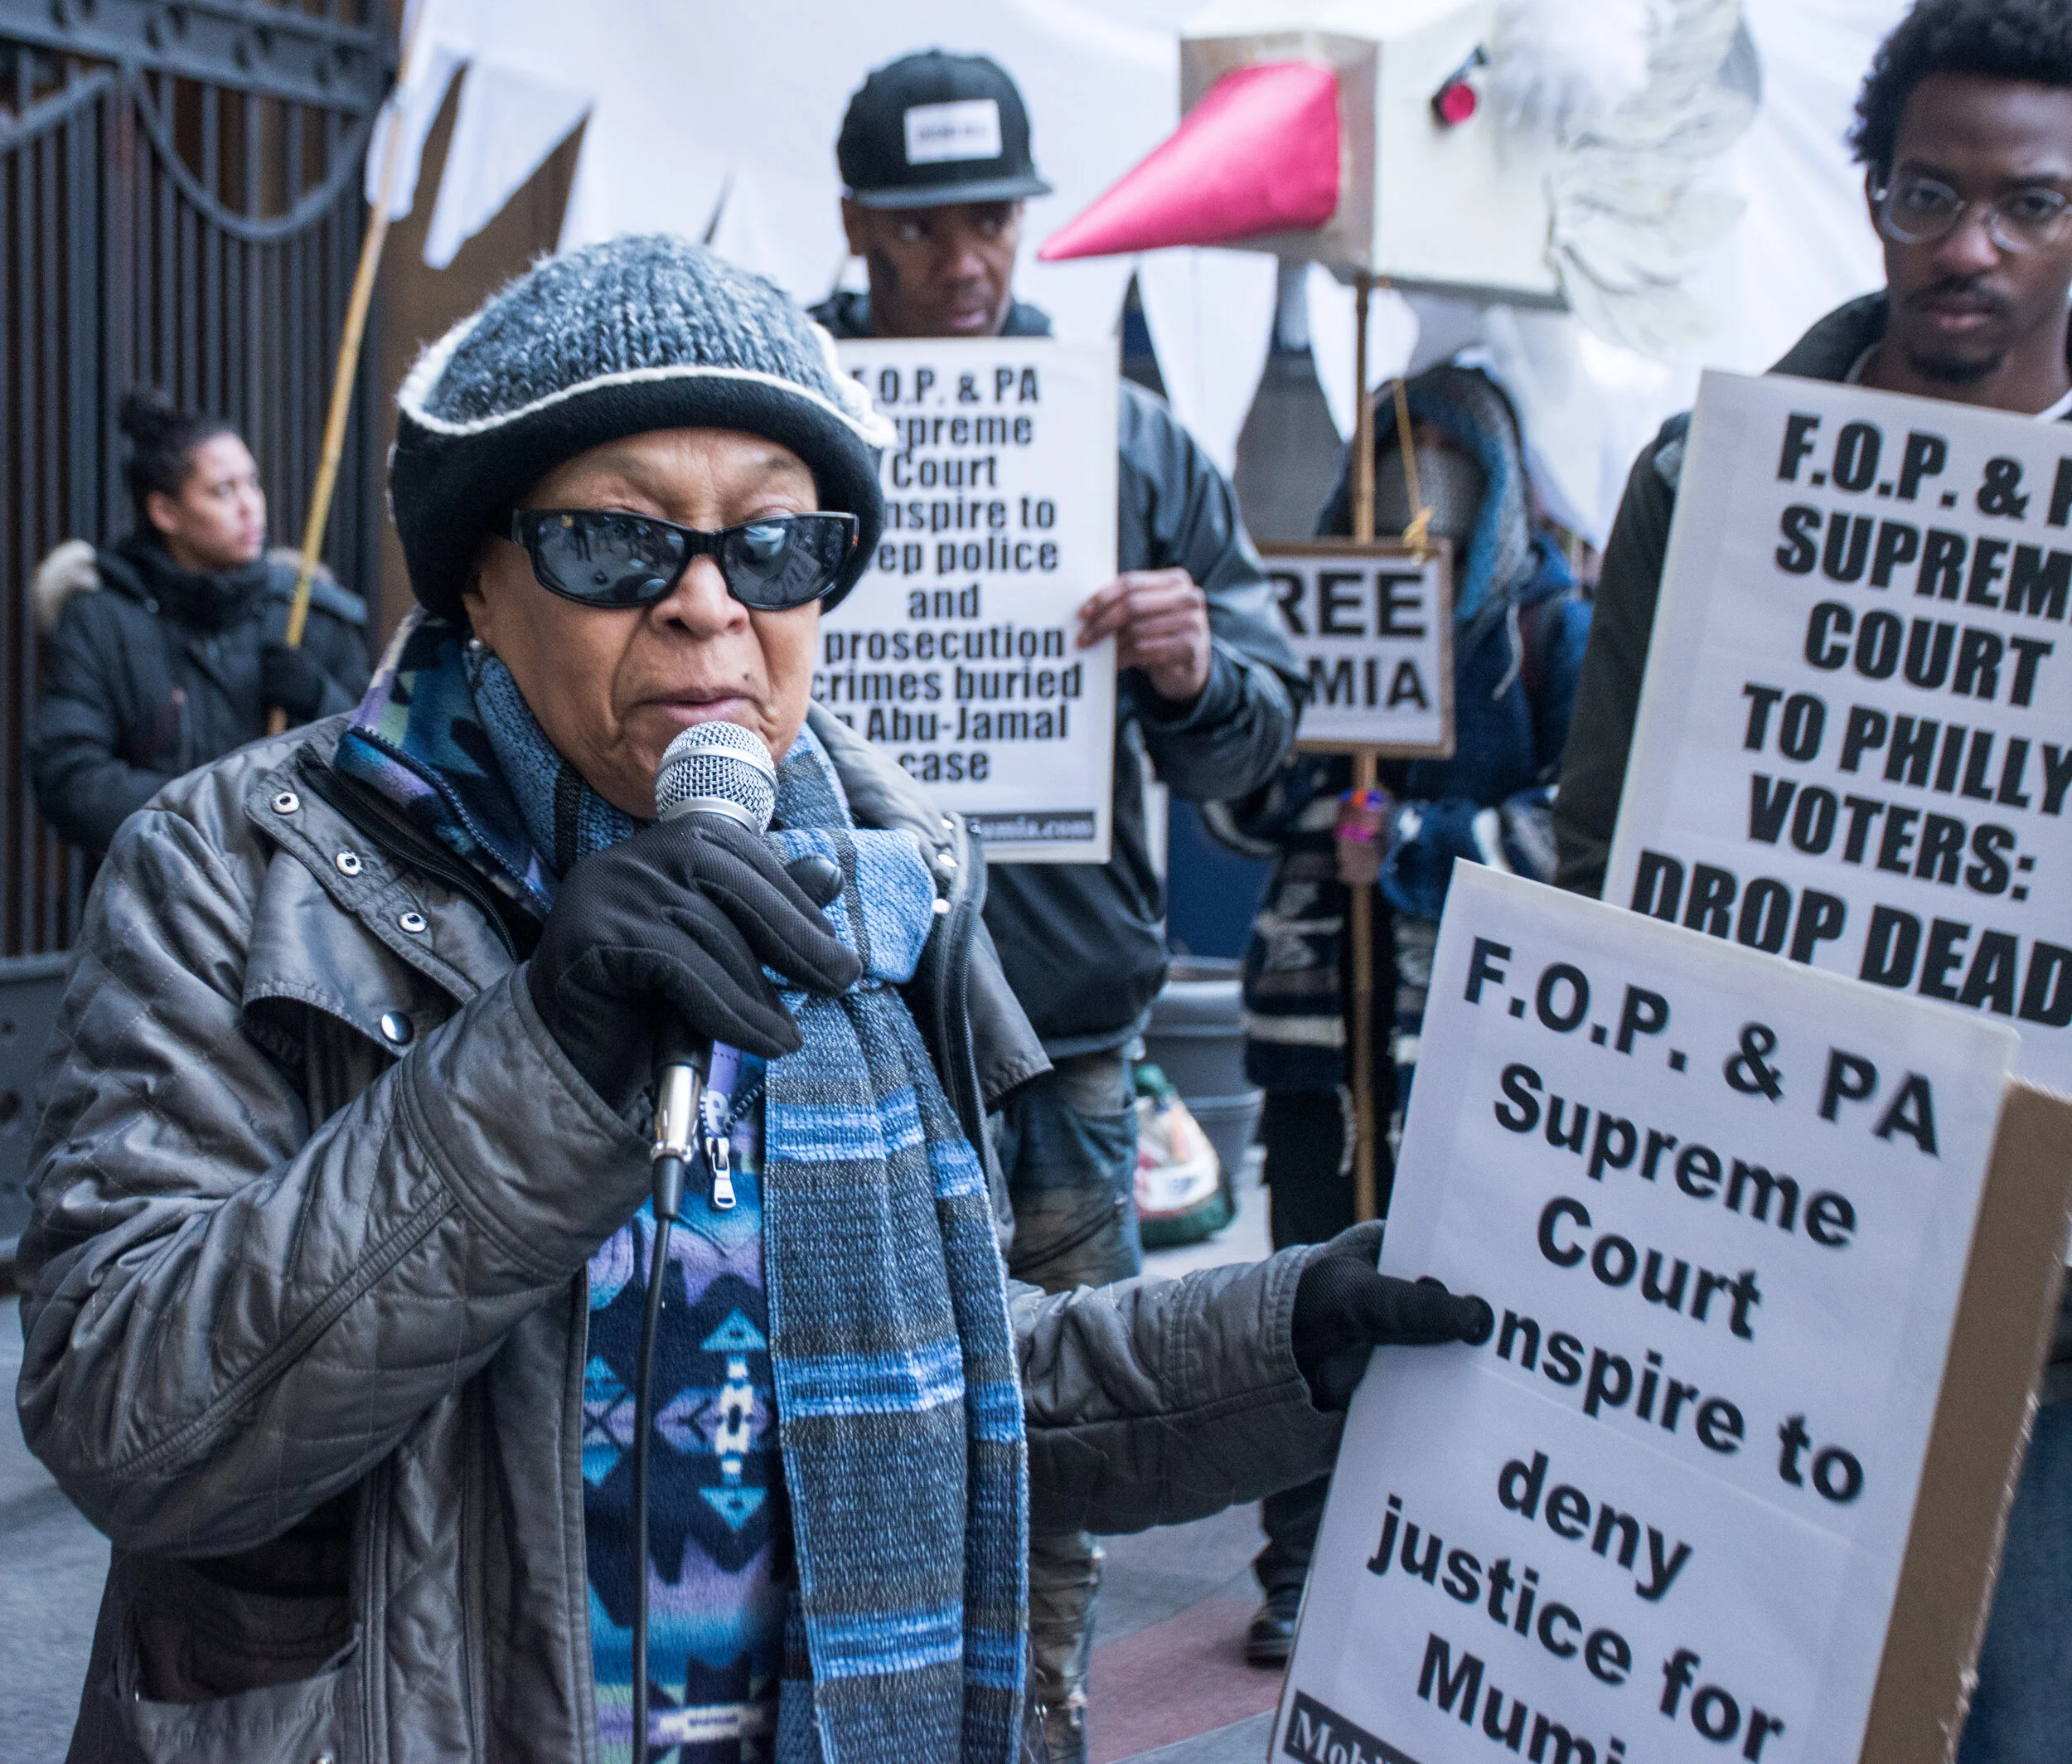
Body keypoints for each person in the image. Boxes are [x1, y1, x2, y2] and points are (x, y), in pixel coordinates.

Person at [14, 235, 1492, 1764]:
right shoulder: (229, 866)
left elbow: (953, 1385)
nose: (709, 606)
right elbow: (138, 1420)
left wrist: (1287, 1338)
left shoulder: (895, 881)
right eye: (616, 541)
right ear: (477, 574)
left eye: (776, 547)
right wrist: (543, 1063)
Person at [1550, 3, 2072, 1756]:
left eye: (2027, 204)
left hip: (2039, 1303)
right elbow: (1597, 850)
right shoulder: (1708, 481)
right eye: (1928, 194)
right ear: (1872, 196)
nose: (1970, 247)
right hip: (1737, 1257)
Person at [811, 51, 1305, 1762]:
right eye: (931, 226)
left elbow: (1265, 714)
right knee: (815, 1408)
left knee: (1061, 1417)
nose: (968, 263)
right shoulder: (767, 407)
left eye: (996, 223)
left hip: (1065, 1027)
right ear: (858, 221)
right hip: (815, 1015)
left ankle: (1030, 1712)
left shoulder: (1130, 435)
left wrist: (1193, 666)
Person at [1209, 362, 1590, 1665]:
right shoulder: (1306, 614)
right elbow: (1242, 804)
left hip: (1472, 1041)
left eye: (1447, 466)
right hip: (1320, 1032)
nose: (1417, 492)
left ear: (1494, 482)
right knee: (1301, 1305)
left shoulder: (1545, 627)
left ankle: (1456, 1558)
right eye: (1396, 461)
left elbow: (1581, 833)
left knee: (1459, 1306)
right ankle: (1300, 1564)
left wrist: (1427, 839)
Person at [28, 390, 371, 856]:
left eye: (252, 482)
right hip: (156, 898)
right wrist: (220, 813)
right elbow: (72, 778)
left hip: (298, 902)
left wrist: (321, 700)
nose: (250, 505)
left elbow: (382, 769)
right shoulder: (102, 620)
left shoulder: (307, 614)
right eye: (223, 490)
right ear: (165, 511)